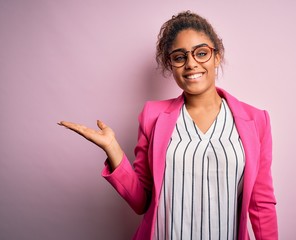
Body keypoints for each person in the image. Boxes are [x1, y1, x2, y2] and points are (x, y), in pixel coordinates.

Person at [58, 11, 278, 240]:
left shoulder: (256, 121)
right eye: (180, 57)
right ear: (170, 64)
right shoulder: (152, 116)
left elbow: (261, 203)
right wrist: (113, 149)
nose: (191, 64)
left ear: (217, 56)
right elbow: (140, 201)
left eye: (201, 53)